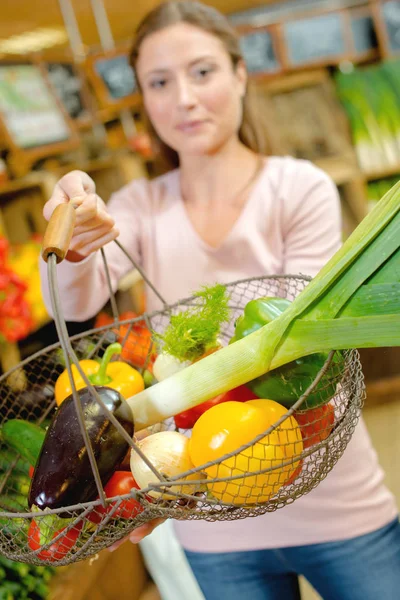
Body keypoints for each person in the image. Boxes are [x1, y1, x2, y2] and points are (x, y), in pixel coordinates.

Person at [40, 2, 400, 599]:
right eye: (159, 82)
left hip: (335, 498)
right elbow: (73, 304)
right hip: (210, 514)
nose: (183, 98)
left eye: (202, 72)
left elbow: (308, 352)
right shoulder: (137, 207)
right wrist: (74, 228)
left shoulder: (297, 188)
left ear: (240, 74)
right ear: (144, 100)